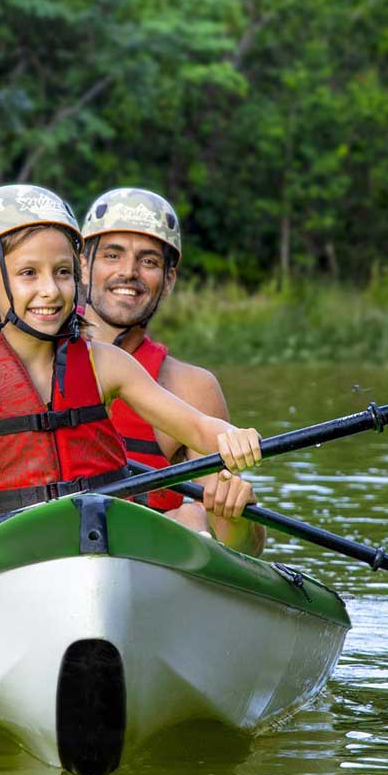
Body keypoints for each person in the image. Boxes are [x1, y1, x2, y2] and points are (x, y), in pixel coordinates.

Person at [0, 184, 262, 557]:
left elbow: (198, 428)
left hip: (106, 545)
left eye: (62, 272)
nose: (50, 289)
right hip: (4, 551)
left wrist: (231, 437)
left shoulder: (105, 364)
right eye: (29, 273)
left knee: (191, 515)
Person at [80, 187, 265, 555]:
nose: (128, 272)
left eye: (148, 261)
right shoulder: (26, 361)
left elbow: (246, 550)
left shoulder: (192, 388)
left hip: (149, 561)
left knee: (193, 517)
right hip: (40, 550)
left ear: (168, 279)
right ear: (83, 265)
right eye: (112, 255)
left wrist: (234, 515)